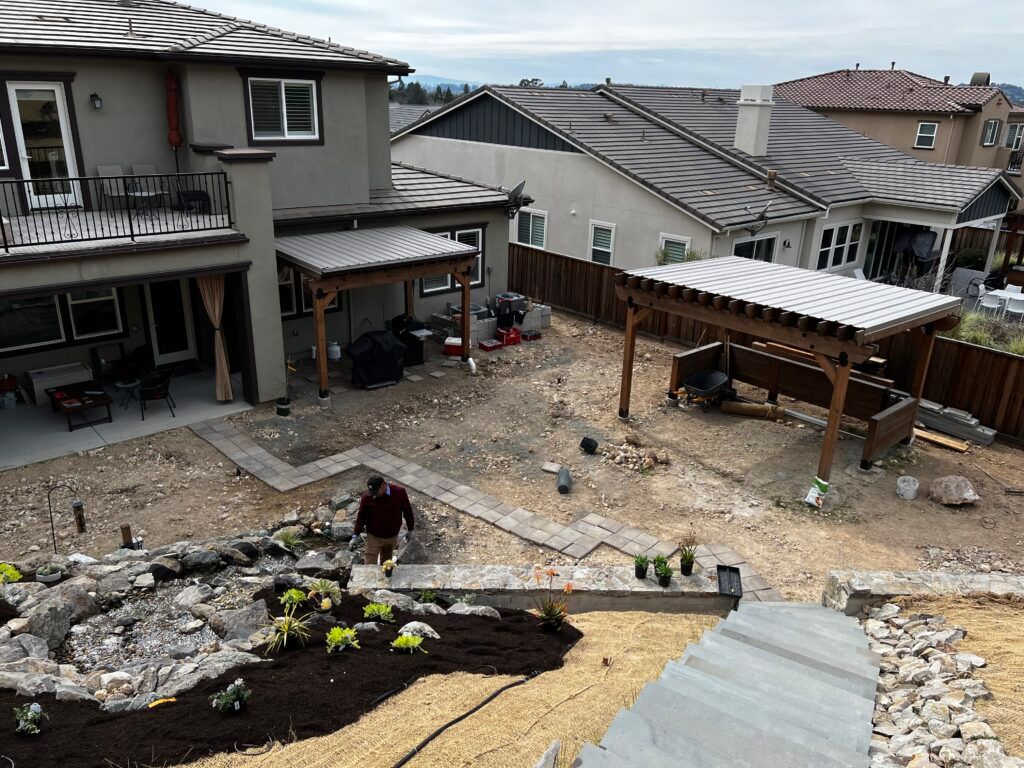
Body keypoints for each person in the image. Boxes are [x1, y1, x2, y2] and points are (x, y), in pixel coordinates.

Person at [351, 475, 415, 565]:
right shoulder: (367, 497)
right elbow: (361, 517)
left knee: (386, 562)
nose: (374, 495)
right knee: (369, 563)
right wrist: (355, 535)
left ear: (383, 485)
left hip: (392, 536)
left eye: (376, 492)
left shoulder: (399, 492)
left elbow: (407, 511)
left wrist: (410, 529)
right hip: (374, 537)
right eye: (372, 492)